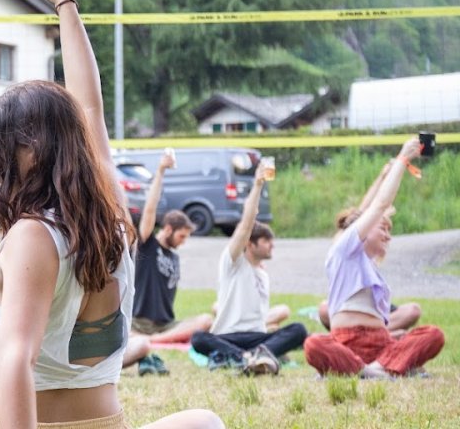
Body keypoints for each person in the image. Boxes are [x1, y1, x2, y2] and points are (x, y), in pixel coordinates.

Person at [0, 0, 220, 428]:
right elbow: (90, 109)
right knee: (205, 423)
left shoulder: (33, 234)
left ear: (29, 153)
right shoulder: (112, 217)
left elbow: (16, 359)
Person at [303, 140, 445, 378]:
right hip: (346, 342)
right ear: (364, 227)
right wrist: (402, 160)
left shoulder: (369, 264)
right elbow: (378, 205)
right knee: (314, 344)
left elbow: (378, 208)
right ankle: (378, 370)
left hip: (381, 345)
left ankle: (370, 370)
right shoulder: (344, 250)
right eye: (383, 229)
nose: (388, 236)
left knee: (433, 335)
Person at [190, 159, 308, 375]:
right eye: (266, 241)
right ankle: (251, 357)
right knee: (199, 338)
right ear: (250, 244)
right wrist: (258, 184)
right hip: (228, 335)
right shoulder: (233, 262)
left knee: (298, 330)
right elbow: (246, 225)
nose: (272, 245)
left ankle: (247, 356)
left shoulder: (262, 274)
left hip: (257, 336)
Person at [128, 151, 214, 375]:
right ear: (167, 229)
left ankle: (154, 340)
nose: (183, 242)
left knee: (206, 320)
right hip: (139, 322)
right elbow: (149, 209)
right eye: (181, 236)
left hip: (166, 325)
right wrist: (160, 171)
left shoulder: (174, 256)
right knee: (123, 332)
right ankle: (149, 338)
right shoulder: (147, 245)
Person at [315, 163, 422, 333]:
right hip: (348, 309)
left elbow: (374, 209)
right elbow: (370, 208)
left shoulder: (369, 248)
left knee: (413, 310)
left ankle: (377, 333)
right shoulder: (345, 244)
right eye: (383, 229)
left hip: (373, 307)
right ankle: (376, 334)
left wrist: (387, 176)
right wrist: (383, 176)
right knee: (323, 309)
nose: (388, 236)